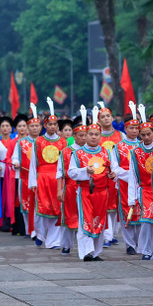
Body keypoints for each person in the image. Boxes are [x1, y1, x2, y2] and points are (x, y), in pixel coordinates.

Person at [66, 106, 115, 261]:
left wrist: (113, 174)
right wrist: (84, 171)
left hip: (102, 191)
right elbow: (71, 172)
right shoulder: (78, 154)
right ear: (85, 136)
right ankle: (86, 252)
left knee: (100, 220)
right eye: (90, 134)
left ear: (100, 136)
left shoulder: (106, 152)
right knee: (85, 221)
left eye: (96, 134)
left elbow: (112, 170)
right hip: (85, 191)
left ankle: (96, 252)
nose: (93, 137)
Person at [128, 105, 153, 260]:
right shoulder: (135, 152)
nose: (146, 137)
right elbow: (132, 175)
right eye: (143, 134)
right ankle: (145, 251)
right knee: (147, 221)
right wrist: (132, 197)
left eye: (148, 134)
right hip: (145, 190)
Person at [29, 98, 68, 248]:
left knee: (57, 209)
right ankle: (39, 233)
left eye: (55, 124)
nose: (52, 127)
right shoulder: (38, 142)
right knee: (42, 208)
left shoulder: (63, 142)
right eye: (49, 124)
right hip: (42, 178)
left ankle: (54, 241)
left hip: (57, 179)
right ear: (45, 125)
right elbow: (33, 164)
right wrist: (33, 181)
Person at [110, 102, 142, 255]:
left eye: (136, 128)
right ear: (125, 128)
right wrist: (131, 176)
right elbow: (115, 168)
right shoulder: (118, 146)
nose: (134, 131)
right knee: (126, 214)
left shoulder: (143, 145)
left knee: (141, 213)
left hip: (142, 186)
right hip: (124, 185)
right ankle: (129, 244)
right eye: (131, 128)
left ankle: (140, 243)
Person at [57, 111, 86, 256]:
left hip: (87, 189)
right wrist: (59, 190)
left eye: (85, 135)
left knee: (85, 216)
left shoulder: (90, 151)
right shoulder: (65, 152)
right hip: (70, 187)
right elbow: (60, 172)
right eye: (80, 135)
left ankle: (85, 246)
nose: (83, 138)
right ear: (74, 136)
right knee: (69, 217)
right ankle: (66, 245)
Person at [12, 107, 41, 238]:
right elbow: (15, 157)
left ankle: (39, 231)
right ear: (28, 128)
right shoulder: (21, 143)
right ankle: (29, 230)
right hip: (25, 178)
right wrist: (16, 162)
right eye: (32, 126)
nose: (35, 128)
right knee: (25, 205)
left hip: (42, 178)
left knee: (40, 205)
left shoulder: (44, 142)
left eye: (37, 126)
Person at [98, 102, 122, 247]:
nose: (106, 119)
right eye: (103, 117)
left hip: (116, 176)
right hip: (100, 176)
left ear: (112, 118)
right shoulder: (95, 136)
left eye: (108, 116)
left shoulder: (121, 135)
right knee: (104, 205)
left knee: (114, 205)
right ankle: (106, 235)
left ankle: (112, 233)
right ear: (99, 120)